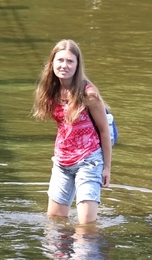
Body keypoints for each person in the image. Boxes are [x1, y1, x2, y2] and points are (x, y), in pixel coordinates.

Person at [32, 39, 112, 224]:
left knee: (86, 227)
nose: (64, 66)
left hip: (89, 162)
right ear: (52, 62)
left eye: (70, 61)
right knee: (55, 223)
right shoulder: (51, 89)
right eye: (60, 60)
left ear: (77, 65)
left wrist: (107, 167)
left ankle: (91, 252)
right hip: (62, 162)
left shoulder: (88, 94)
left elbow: (104, 131)